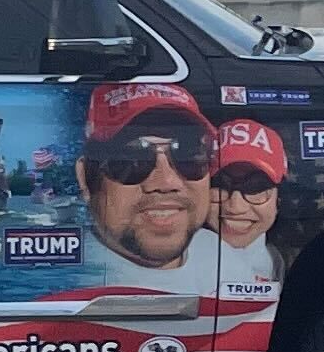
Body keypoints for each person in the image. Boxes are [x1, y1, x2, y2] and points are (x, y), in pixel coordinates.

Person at [74, 80, 222, 295]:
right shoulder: (60, 281)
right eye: (133, 157)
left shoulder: (226, 259)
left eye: (188, 153)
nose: (166, 183)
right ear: (85, 178)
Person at [207, 119, 287, 275]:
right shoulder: (164, 262)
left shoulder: (294, 267)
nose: (236, 207)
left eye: (255, 187)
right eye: (220, 185)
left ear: (278, 200)